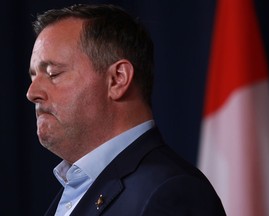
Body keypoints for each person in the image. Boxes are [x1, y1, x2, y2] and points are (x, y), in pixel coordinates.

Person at [26, 3, 226, 216]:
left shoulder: (172, 193)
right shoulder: (77, 190)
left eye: (53, 74)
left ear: (117, 80)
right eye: (32, 76)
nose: (32, 92)